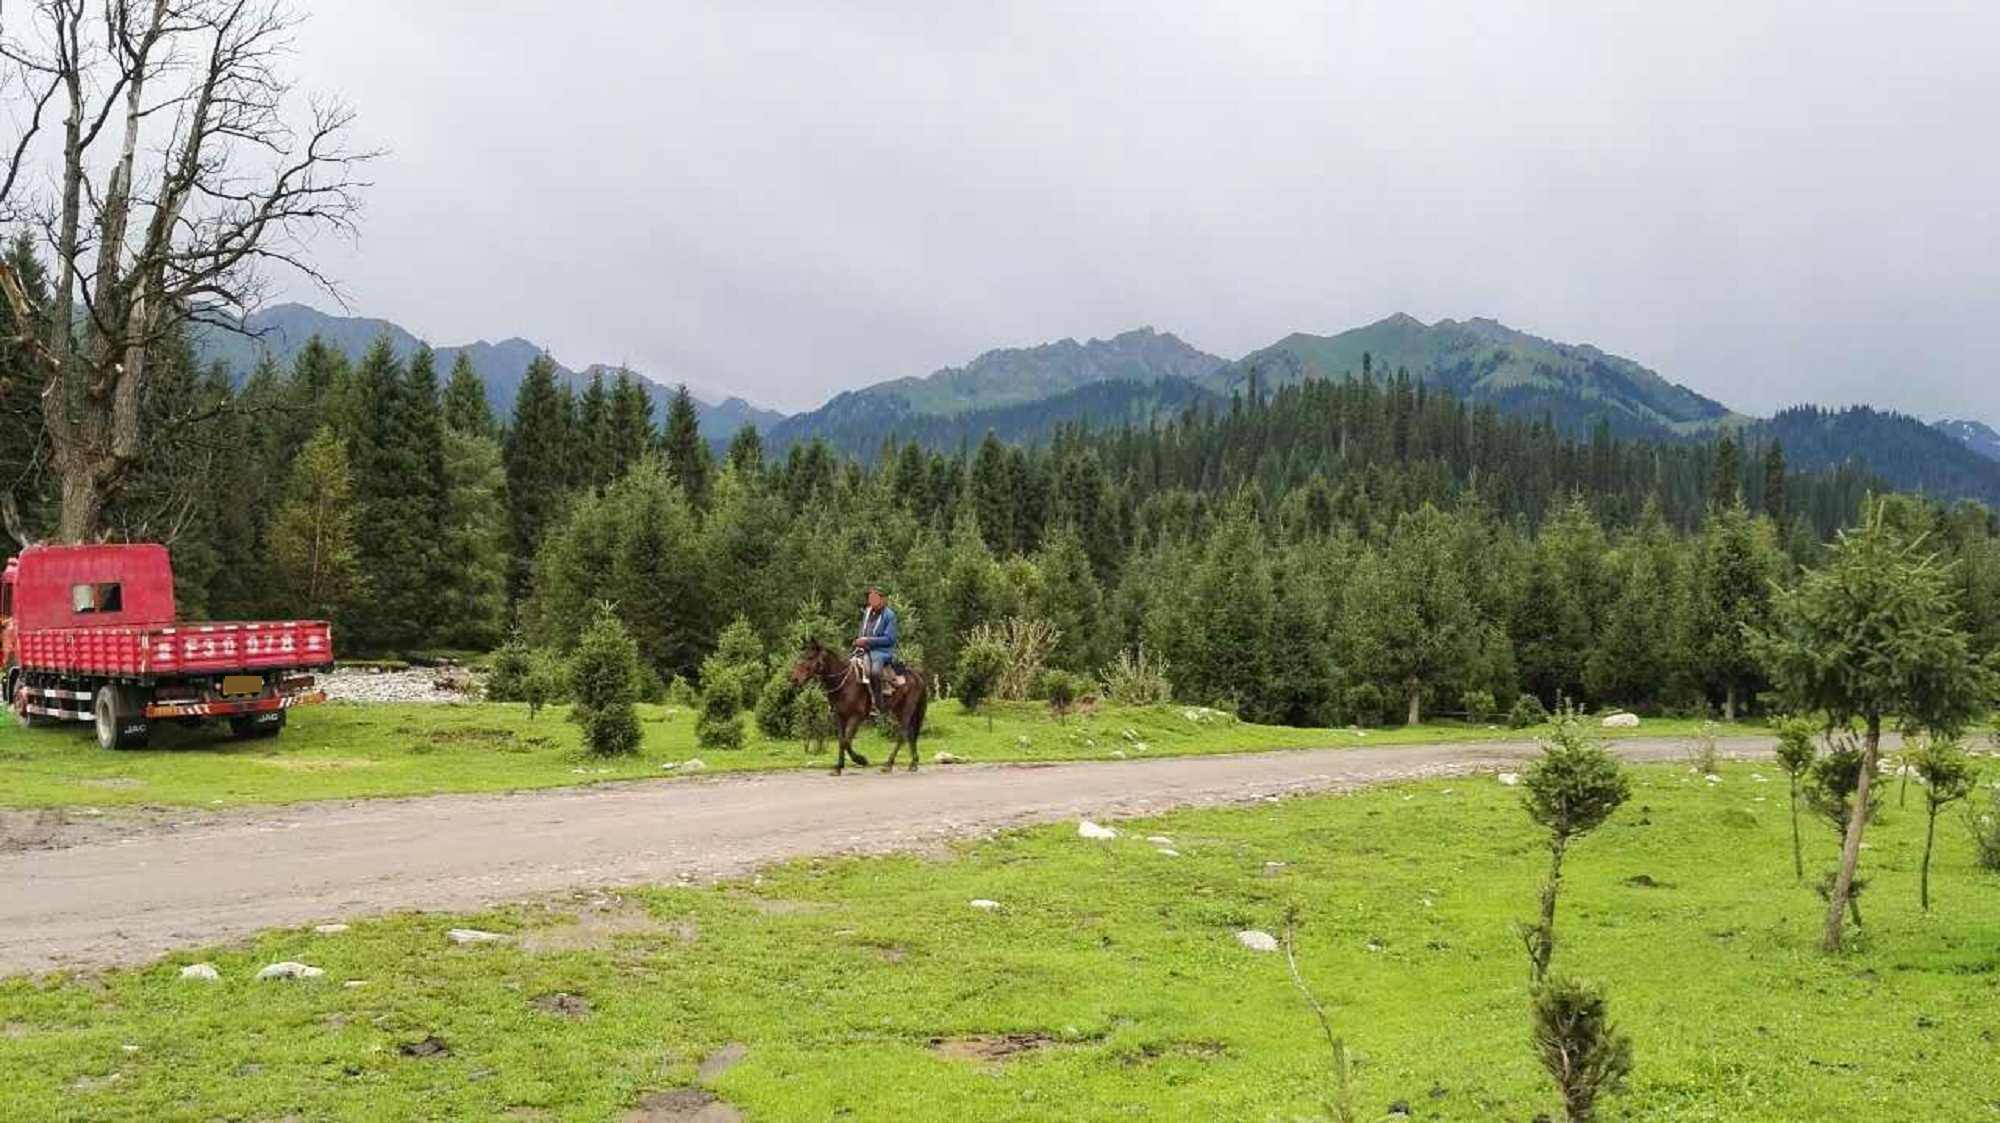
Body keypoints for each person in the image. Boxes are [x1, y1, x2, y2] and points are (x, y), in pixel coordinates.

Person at [853, 585, 901, 710]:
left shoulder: (889, 616)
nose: (872, 600)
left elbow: (889, 639)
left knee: (873, 672)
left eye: (875, 597)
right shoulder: (867, 612)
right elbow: (863, 631)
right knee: (852, 666)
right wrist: (859, 641)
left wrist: (868, 640)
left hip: (882, 651)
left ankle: (878, 703)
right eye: (870, 598)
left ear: (883, 599)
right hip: (865, 649)